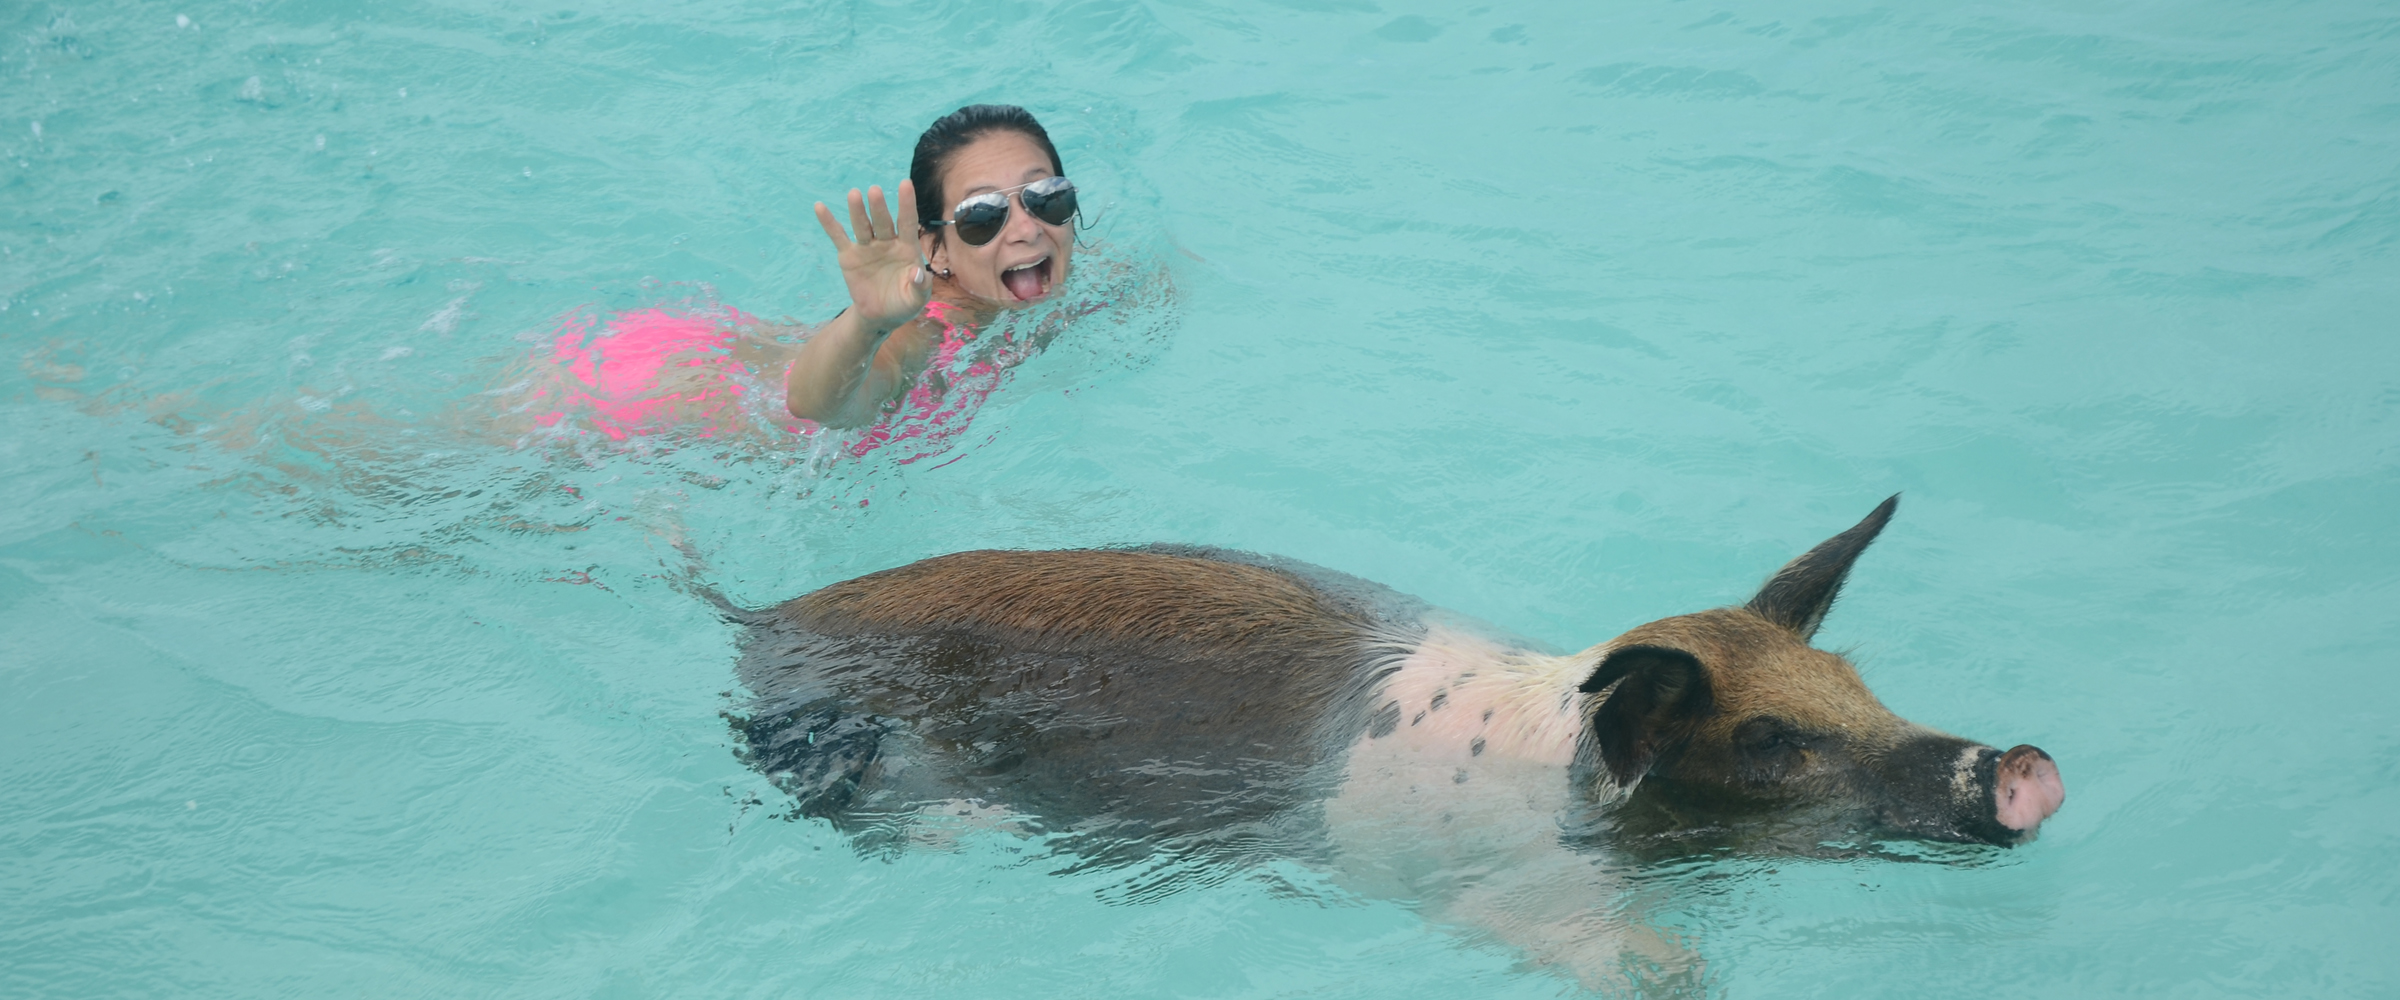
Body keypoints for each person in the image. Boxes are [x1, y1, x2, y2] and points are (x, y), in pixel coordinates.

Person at [783, 104, 1080, 428]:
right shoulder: (920, 334)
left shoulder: (1093, 276)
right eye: (983, 215)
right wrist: (869, 324)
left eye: (1045, 196)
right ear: (935, 251)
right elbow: (812, 407)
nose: (1028, 229)